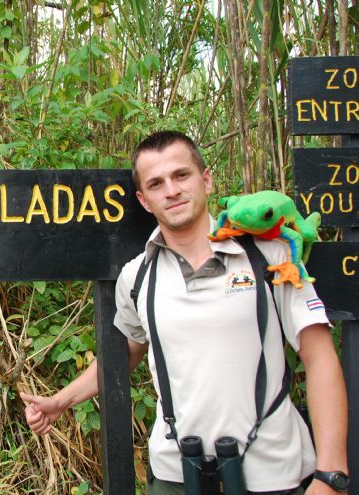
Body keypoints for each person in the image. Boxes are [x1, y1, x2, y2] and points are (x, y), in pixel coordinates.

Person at [20, 131, 348, 495]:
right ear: (144, 201)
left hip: (273, 474)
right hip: (176, 474)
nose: (171, 191)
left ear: (205, 180)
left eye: (181, 176)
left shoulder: (269, 256)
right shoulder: (137, 275)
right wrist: (59, 402)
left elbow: (319, 355)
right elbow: (127, 352)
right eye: (156, 184)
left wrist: (331, 473)